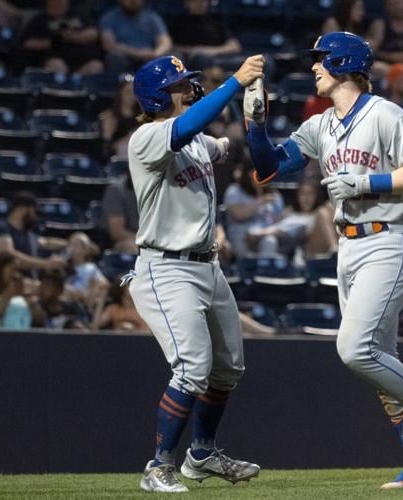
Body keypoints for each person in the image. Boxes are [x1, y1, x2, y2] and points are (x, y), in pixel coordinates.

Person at [244, 31, 403, 490]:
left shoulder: (385, 113)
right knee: (380, 363)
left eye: (321, 59)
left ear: (343, 62)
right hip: (350, 246)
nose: (314, 67)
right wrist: (255, 126)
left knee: (354, 348)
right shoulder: (321, 125)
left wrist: (365, 184)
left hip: (388, 238)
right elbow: (268, 169)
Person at [124, 53, 264, 492]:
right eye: (179, 85)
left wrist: (253, 117)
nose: (188, 89)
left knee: (228, 369)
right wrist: (235, 83)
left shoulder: (197, 140)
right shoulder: (146, 137)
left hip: (207, 266)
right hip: (166, 267)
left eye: (188, 83)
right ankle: (158, 467)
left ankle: (201, 454)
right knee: (191, 369)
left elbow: (226, 147)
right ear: (156, 95)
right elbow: (185, 128)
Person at [0, 192, 68, 276]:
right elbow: (7, 255)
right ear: (22, 209)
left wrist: (71, 242)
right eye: (34, 212)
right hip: (7, 285)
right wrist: (45, 264)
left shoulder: (29, 234)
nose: (35, 217)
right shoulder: (0, 228)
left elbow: (46, 242)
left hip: (29, 285)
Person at [19, 0, 103, 75]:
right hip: (55, 59)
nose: (59, 3)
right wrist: (53, 41)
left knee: (96, 66)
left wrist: (73, 36)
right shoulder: (40, 20)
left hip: (83, 62)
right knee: (57, 65)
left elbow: (94, 33)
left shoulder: (78, 15)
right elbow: (27, 43)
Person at [223, 162, 285, 260]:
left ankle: (264, 269)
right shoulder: (234, 191)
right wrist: (261, 201)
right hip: (242, 235)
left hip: (265, 233)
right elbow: (239, 215)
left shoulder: (274, 194)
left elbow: (279, 219)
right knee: (242, 244)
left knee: (270, 241)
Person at [100, 0, 172, 75]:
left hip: (149, 57)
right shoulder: (109, 17)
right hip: (125, 57)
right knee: (114, 57)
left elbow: (165, 41)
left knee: (171, 57)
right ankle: (120, 84)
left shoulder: (152, 17)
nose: (133, 1)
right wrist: (137, 53)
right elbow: (108, 45)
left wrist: (156, 53)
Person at [167, 0, 241, 70]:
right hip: (187, 59)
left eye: (203, 0)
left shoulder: (216, 20)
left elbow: (235, 46)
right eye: (196, 1)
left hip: (214, 57)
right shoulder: (177, 23)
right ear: (187, 2)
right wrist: (191, 51)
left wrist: (209, 51)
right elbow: (169, 45)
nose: (200, 3)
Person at [63, 231, 109, 315]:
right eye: (71, 245)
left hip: (83, 302)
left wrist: (91, 291)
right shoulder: (62, 266)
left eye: (77, 245)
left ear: (85, 250)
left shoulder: (91, 268)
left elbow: (104, 284)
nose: (72, 248)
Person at [100, 76, 139, 159]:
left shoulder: (142, 116)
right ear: (120, 93)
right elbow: (105, 148)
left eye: (134, 92)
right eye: (127, 92)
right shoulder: (110, 116)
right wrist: (107, 135)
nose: (131, 96)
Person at [0, 254, 33, 329]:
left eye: (18, 270)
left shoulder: (21, 300)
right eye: (13, 269)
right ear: (0, 269)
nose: (16, 275)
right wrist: (6, 298)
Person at [101, 172, 139, 253]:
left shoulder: (158, 189)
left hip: (148, 239)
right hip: (124, 241)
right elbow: (117, 233)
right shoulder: (117, 189)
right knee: (131, 247)